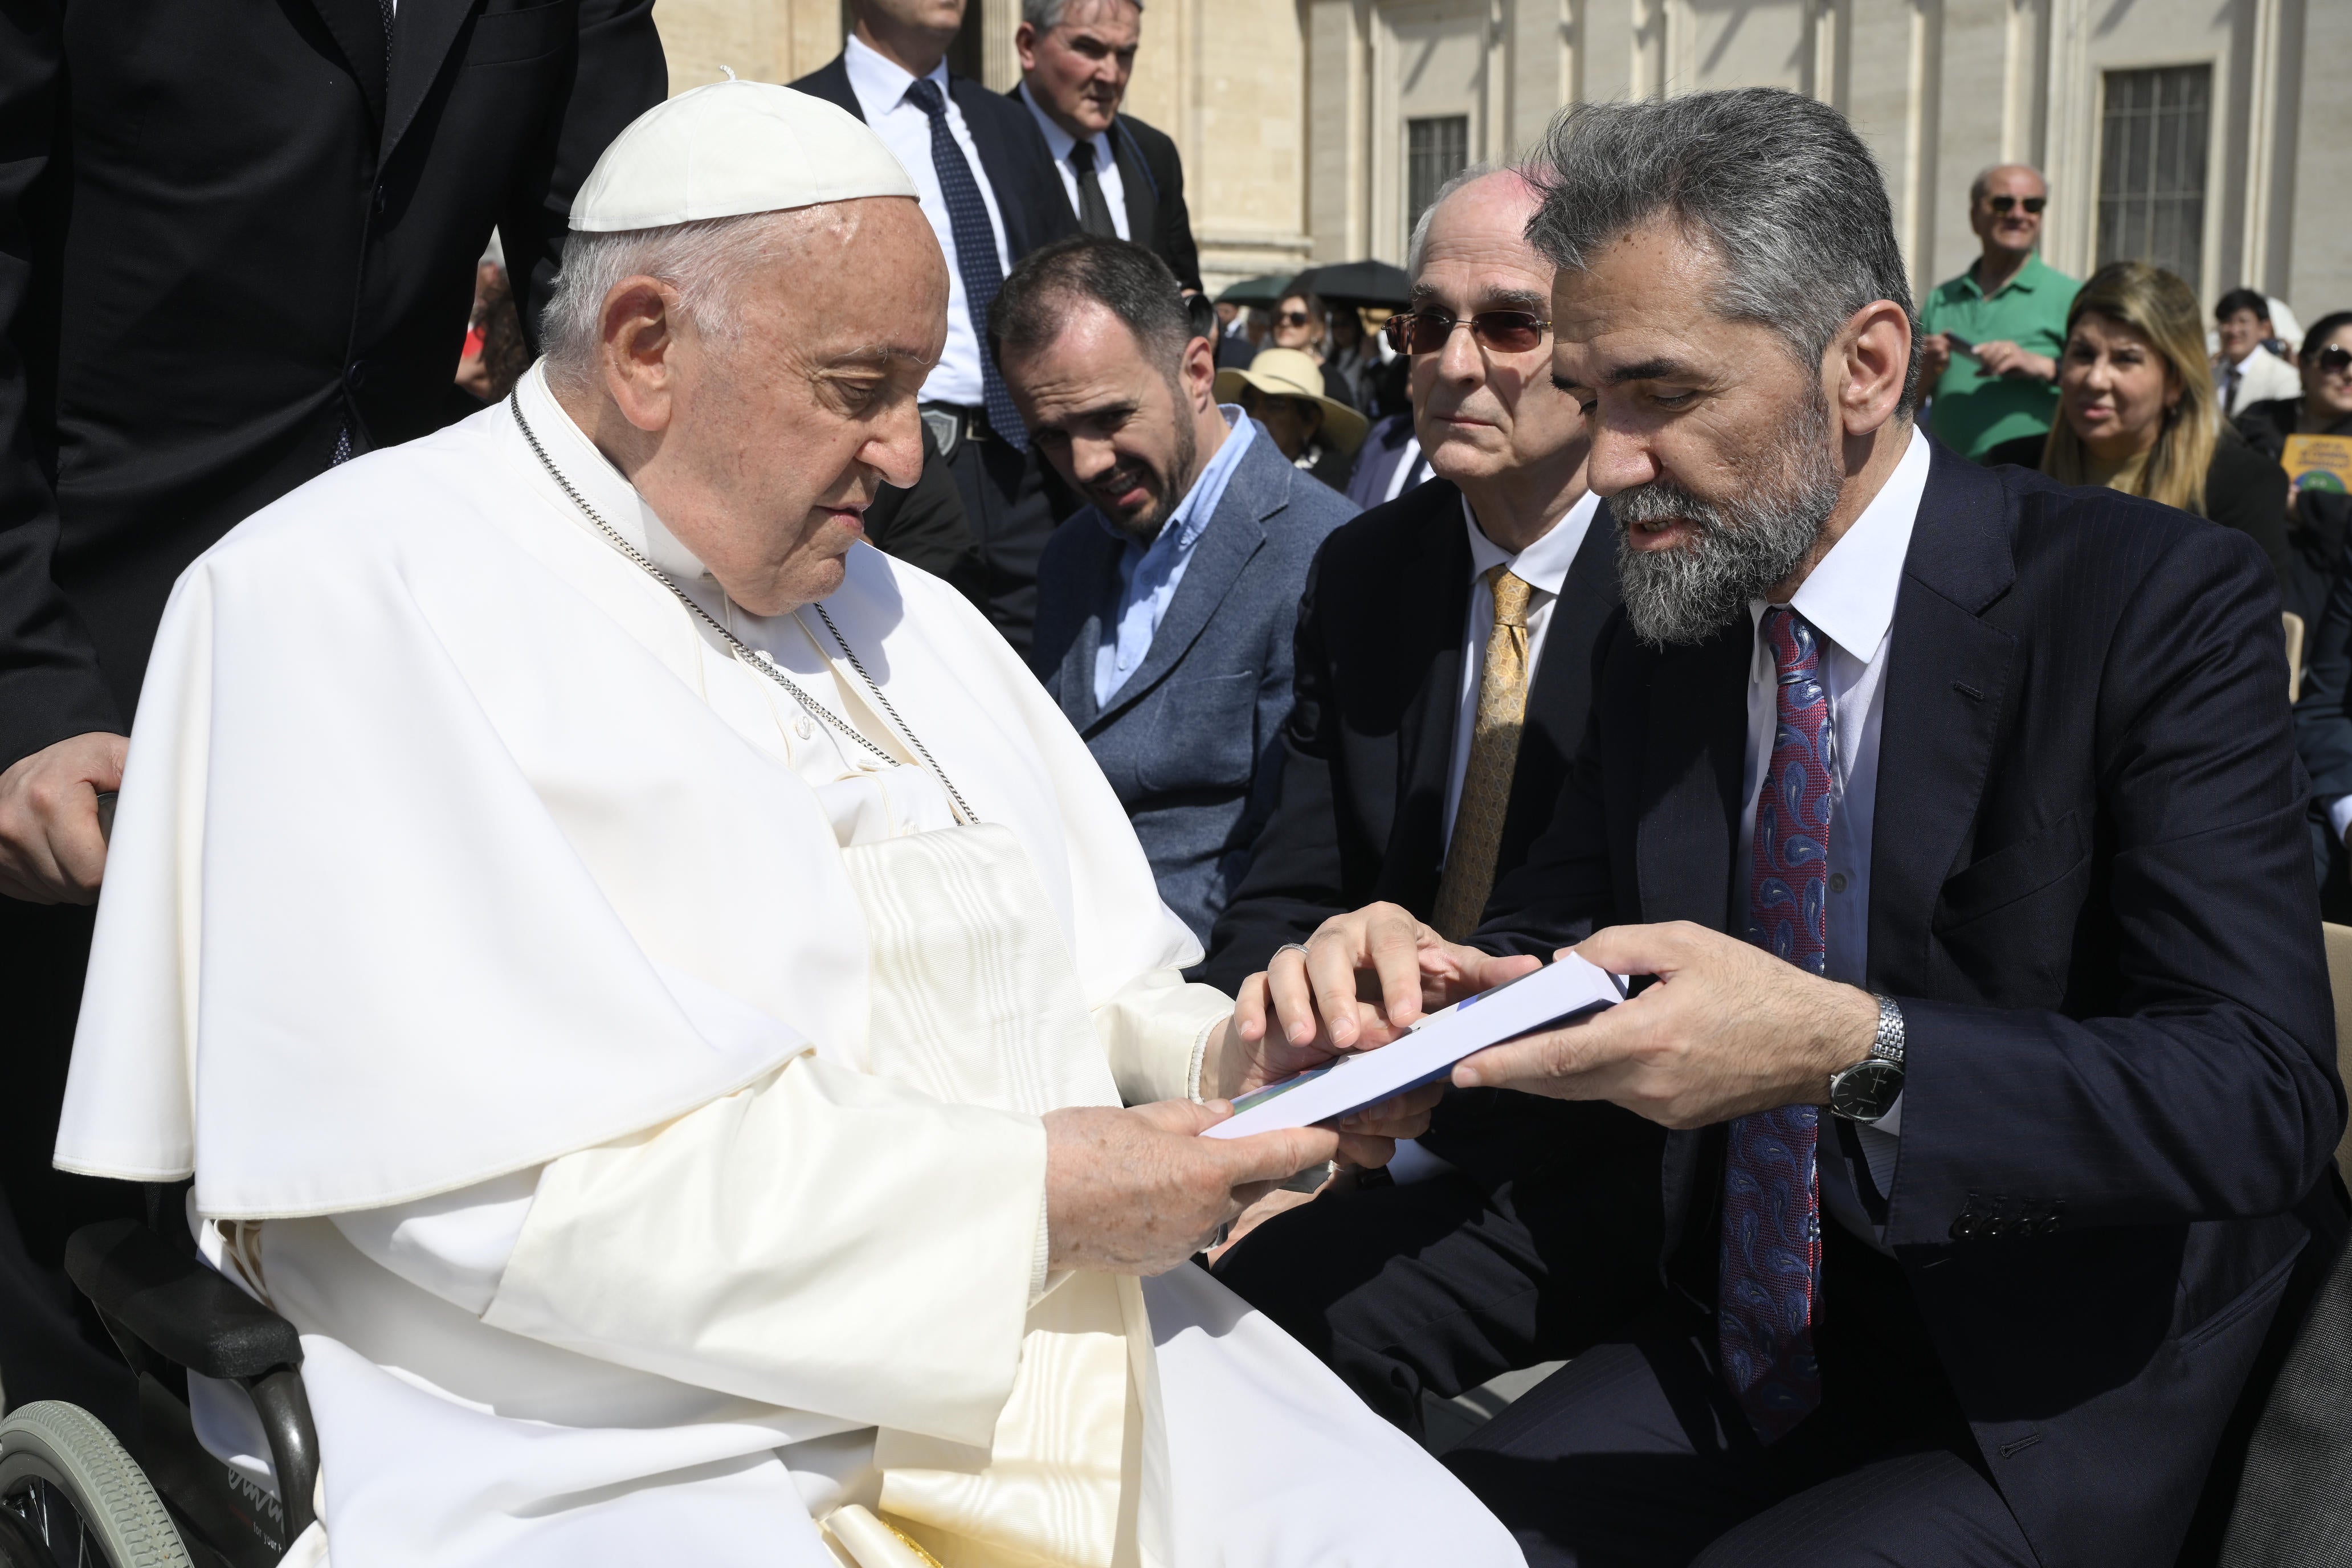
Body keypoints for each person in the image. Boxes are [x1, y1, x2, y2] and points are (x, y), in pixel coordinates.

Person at [52, 81, 1518, 1568]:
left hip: (1050, 1329)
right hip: (602, 1417)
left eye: (917, 394)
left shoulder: (906, 615)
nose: (909, 457)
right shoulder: (338, 598)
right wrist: (1034, 1200)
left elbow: (1078, 987)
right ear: (646, 349)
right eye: (859, 388)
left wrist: (1238, 1059)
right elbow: (486, 1201)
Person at [1218, 87, 2345, 1567]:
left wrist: (1852, 1049)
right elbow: (1571, 930)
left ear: (1864, 365)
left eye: (1661, 395)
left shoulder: (2147, 602)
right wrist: (1423, 996)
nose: (1609, 463)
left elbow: (2260, 1092)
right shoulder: (1676, 612)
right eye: (1594, 396)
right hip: (1739, 1306)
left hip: (2035, 1372)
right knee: (1310, 1422)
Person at [0, 0, 665, 1437]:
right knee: (81, 1223)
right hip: (88, 633)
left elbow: (624, 267)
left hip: (413, 651)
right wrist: (20, 690)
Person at [1206, 165, 1652, 1382]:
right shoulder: (1366, 570)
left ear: (1595, 349)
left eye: (1509, 324)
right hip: (1360, 1104)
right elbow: (1290, 879)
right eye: (1426, 324)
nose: (1455, 363)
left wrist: (1364, 1145)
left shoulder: (1680, 586)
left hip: (1585, 1149)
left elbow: (1613, 940)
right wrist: (1254, 1104)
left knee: (1271, 1329)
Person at [1012, 238, 1357, 943]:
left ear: (1197, 371)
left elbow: (1293, 866)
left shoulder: (1327, 552)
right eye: (1052, 436)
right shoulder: (1070, 555)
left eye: (1111, 417)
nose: (1086, 462)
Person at [793, 0, 1080, 657]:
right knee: (905, 664)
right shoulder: (801, 117)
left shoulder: (1008, 123)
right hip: (892, 467)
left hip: (1022, 461)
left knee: (1042, 673)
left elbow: (1060, 271)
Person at [1984, 262, 2289, 596]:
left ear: (2175, 381)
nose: (2096, 379)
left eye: (2126, 359)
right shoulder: (2008, 473)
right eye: (2083, 354)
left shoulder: (2246, 487)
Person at [1014, 0, 1204, 292]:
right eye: (1088, 48)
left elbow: (1185, 284)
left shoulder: (1154, 153)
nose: (1111, 75)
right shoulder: (979, 148)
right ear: (1028, 46)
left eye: (1125, 54)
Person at [1917, 164, 2077, 460]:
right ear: (1975, 217)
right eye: (2003, 203)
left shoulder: (2072, 296)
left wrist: (2044, 366)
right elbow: (1904, 406)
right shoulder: (1942, 298)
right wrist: (1923, 371)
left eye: (2032, 205)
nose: (2018, 214)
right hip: (1950, 477)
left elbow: (2107, 387)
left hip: (2035, 477)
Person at [1214, 348, 1365, 493]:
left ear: (1310, 421)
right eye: (1249, 404)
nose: (1256, 416)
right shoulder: (1226, 468)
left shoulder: (1329, 480)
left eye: (1275, 406)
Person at [2214, 286, 2303, 416]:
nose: (2234, 330)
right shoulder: (2210, 376)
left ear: (2264, 328)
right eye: (2226, 322)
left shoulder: (2285, 378)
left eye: (2243, 321)